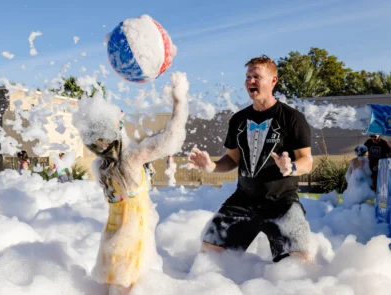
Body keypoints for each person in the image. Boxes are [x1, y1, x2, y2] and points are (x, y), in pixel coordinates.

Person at [188, 55, 313, 263]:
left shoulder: (292, 118)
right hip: (243, 200)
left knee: (299, 262)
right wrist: (211, 166)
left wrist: (290, 166)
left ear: (273, 80)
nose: (250, 81)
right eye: (247, 77)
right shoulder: (238, 120)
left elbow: (307, 161)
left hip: (282, 202)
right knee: (208, 254)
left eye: (256, 76)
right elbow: (231, 160)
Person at [74, 72, 189, 294]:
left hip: (111, 241)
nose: (121, 116)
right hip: (133, 247)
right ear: (111, 131)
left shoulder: (100, 166)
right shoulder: (131, 160)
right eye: (118, 119)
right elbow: (172, 137)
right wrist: (179, 99)